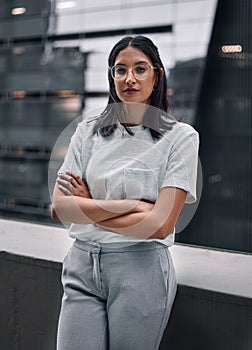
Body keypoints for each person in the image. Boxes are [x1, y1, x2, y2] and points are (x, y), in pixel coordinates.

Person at [51, 35, 199, 350]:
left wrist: (88, 206)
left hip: (140, 270)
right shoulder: (87, 130)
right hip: (81, 265)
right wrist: (133, 206)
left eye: (140, 69)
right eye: (120, 70)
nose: (129, 78)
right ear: (111, 76)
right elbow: (59, 208)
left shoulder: (181, 138)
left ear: (157, 75)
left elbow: (160, 225)